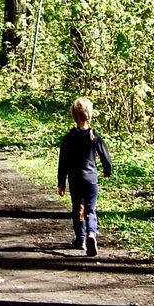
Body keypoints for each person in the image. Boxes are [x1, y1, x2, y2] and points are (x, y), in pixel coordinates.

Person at [57, 97, 112, 257]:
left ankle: (80, 239)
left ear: (73, 116)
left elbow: (63, 162)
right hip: (90, 179)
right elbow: (105, 157)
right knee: (90, 208)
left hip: (75, 179)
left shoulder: (69, 137)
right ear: (90, 115)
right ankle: (91, 234)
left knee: (77, 208)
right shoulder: (94, 136)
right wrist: (107, 170)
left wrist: (61, 182)